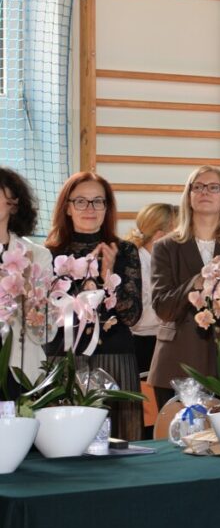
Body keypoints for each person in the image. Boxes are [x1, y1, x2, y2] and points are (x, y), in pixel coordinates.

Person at [149, 166, 220, 410]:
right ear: (188, 196)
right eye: (197, 187)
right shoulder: (165, 246)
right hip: (178, 362)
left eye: (213, 187)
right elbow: (163, 307)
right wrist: (196, 283)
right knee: (178, 431)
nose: (204, 192)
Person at [45, 172, 143, 441]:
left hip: (115, 358)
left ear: (107, 207)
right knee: (63, 444)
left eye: (98, 201)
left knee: (119, 444)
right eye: (81, 201)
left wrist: (108, 274)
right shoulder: (48, 253)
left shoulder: (125, 251)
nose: (90, 208)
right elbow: (42, 317)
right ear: (67, 207)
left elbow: (132, 316)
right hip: (62, 359)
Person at [0, 168, 52, 391]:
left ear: (14, 204)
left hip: (20, 369)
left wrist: (28, 291)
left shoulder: (37, 255)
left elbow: (43, 331)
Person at [126, 203, 178, 377]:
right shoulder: (136, 263)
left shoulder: (161, 261)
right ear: (160, 236)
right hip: (143, 346)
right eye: (179, 234)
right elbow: (138, 319)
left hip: (160, 340)